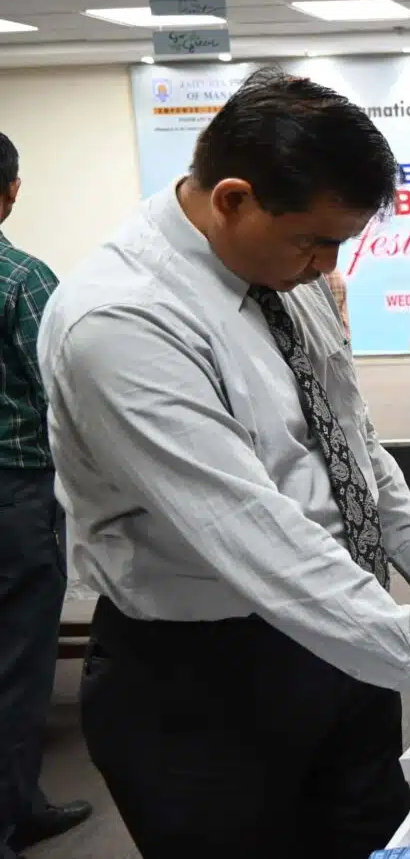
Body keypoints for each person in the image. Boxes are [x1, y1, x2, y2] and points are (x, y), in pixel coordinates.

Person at [38, 68, 410, 859]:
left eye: (339, 242)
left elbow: (346, 433)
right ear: (233, 199)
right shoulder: (121, 321)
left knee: (377, 838)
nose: (325, 263)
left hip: (342, 636)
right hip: (207, 679)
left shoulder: (288, 273)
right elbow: (257, 535)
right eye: (313, 240)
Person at [0, 133, 91, 859]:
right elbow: (61, 399)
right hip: (14, 497)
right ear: (11, 191)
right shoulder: (23, 279)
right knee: (16, 666)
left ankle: (22, 803)